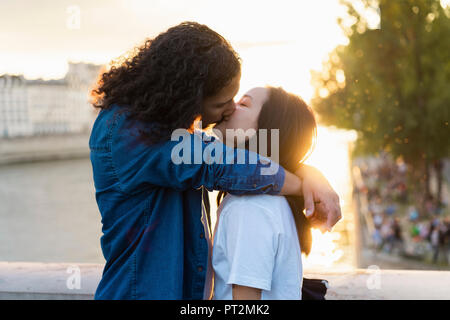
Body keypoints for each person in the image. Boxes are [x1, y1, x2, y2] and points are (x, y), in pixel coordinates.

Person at [89, 22, 341, 299]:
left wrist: (309, 174)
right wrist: (301, 184)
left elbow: (224, 154)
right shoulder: (130, 132)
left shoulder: (166, 125)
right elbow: (220, 163)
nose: (229, 110)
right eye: (223, 103)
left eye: (239, 102)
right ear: (190, 97)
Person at [211, 86, 328, 300]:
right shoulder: (269, 201)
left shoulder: (250, 208)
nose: (229, 106)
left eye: (243, 103)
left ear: (265, 130)